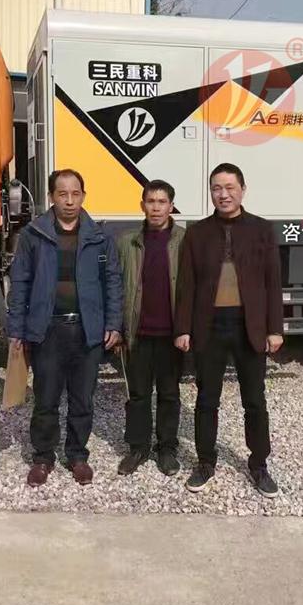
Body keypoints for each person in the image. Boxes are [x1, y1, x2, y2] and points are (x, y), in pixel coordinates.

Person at [7, 169, 123, 488]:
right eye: (62, 194)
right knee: (46, 399)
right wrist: (16, 329)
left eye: (75, 194)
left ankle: (77, 456)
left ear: (83, 195)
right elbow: (20, 283)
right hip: (48, 330)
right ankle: (43, 457)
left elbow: (113, 282)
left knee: (82, 399)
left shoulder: (100, 237)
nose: (69, 201)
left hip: (87, 331)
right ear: (51, 197)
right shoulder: (34, 235)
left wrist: (113, 323)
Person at [175, 162, 284, 498]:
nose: (223, 194)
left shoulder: (261, 229)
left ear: (242, 190)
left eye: (229, 188)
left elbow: (273, 282)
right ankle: (205, 462)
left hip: (249, 327)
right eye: (216, 188)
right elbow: (187, 286)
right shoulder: (197, 233)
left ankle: (259, 464)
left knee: (255, 401)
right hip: (209, 327)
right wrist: (183, 328)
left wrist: (274, 329)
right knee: (207, 400)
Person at [115, 180, 185, 477]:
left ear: (171, 206)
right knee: (138, 394)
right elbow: (116, 287)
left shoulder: (185, 241)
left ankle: (167, 448)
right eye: (151, 201)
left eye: (162, 202)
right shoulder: (127, 242)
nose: (156, 208)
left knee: (169, 394)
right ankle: (138, 447)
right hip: (138, 333)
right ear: (142, 205)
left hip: (172, 334)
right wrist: (118, 328)